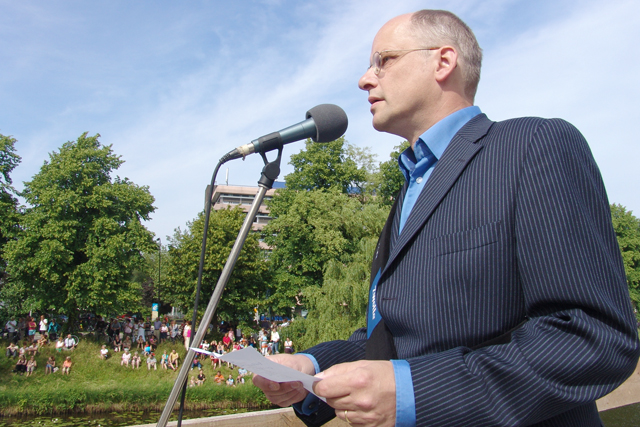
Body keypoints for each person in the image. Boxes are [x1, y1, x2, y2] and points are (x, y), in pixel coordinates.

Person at [253, 10, 640, 427]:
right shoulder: (408, 191)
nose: (365, 79)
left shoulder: (532, 146)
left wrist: (415, 392)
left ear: (443, 62)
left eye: (383, 60)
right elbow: (393, 340)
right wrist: (311, 367)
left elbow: (593, 337)